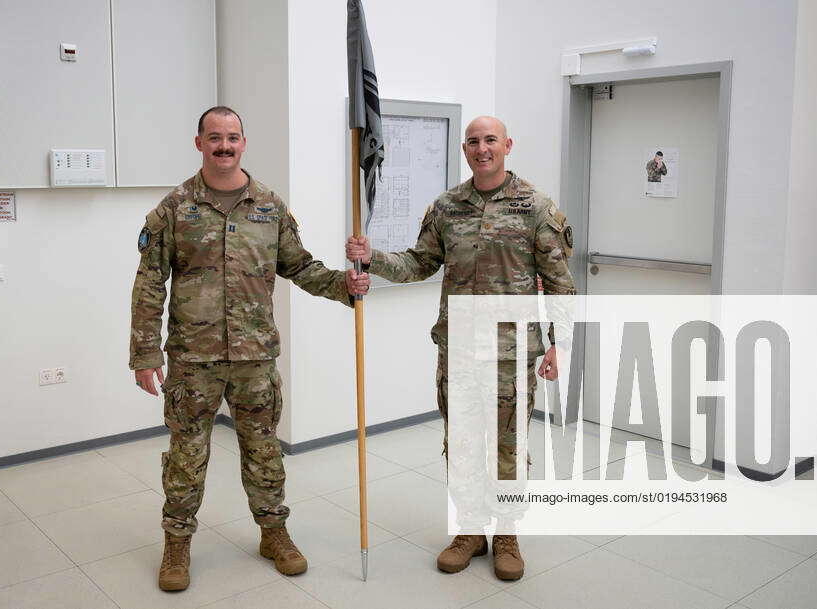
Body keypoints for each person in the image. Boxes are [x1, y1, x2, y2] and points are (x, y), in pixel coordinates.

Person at [131, 106, 370, 592]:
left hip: (255, 358)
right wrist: (145, 353)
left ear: (244, 143)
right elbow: (150, 281)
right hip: (192, 360)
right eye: (215, 137)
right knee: (186, 457)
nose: (224, 145)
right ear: (199, 142)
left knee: (264, 453)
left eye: (233, 137)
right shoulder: (175, 208)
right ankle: (176, 543)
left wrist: (344, 285)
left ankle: (273, 533)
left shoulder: (269, 206)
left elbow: (299, 266)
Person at [345, 115, 575, 581]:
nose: (482, 148)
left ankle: (506, 532)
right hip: (459, 349)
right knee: (464, 443)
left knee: (507, 445)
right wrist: (374, 257)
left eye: (490, 140)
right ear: (465, 150)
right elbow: (418, 263)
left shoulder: (536, 207)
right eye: (473, 142)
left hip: (511, 352)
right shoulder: (447, 207)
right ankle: (469, 528)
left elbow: (557, 282)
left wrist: (560, 344)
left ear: (507, 145)